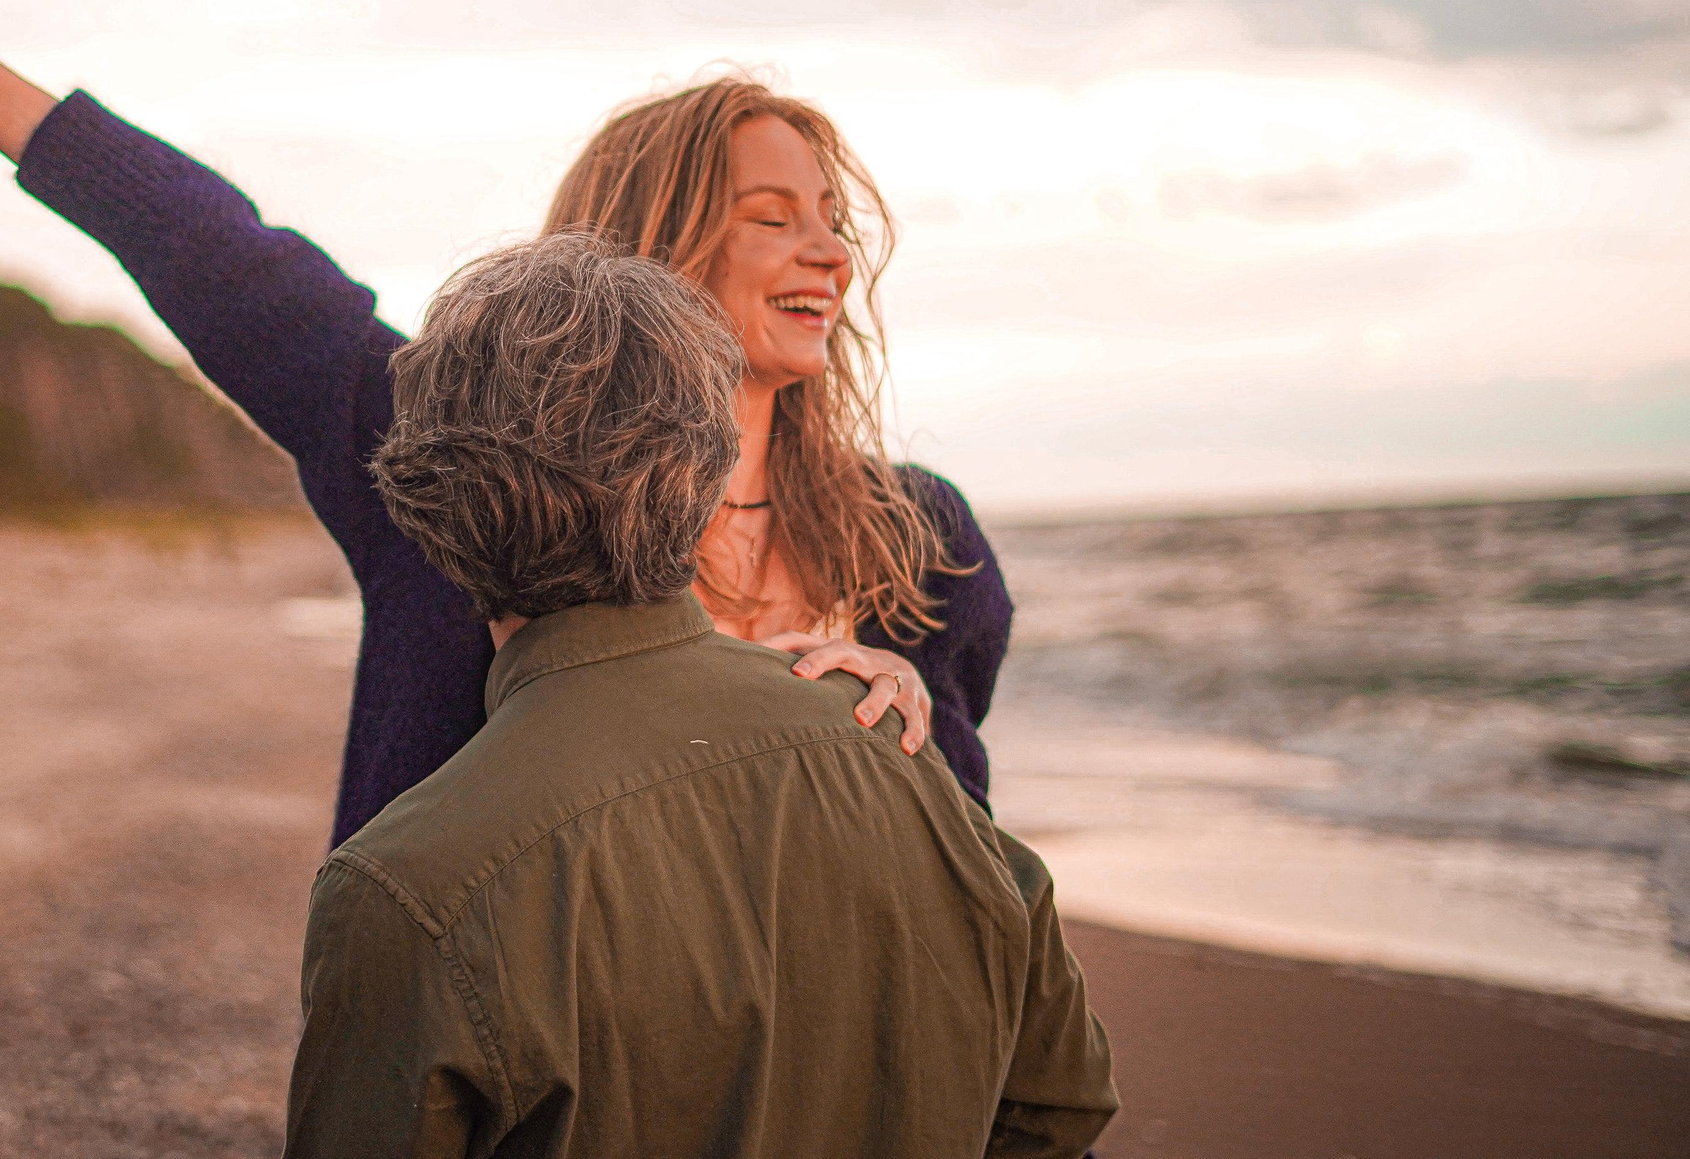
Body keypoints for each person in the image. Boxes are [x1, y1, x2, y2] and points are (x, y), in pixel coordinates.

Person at [0, 0, 1013, 844]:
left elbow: (961, 856)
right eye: (773, 218)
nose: (829, 253)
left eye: (832, 222)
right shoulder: (458, 468)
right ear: (651, 242)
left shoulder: (915, 536)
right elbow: (209, 248)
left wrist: (883, 720)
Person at [286, 231, 1117, 1158]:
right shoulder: (902, 758)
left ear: (429, 498)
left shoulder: (404, 891)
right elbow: (1060, 1103)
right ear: (707, 469)